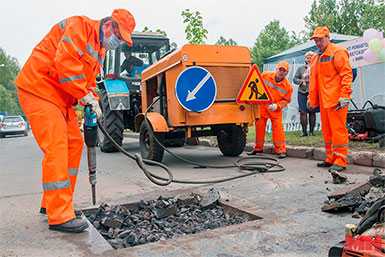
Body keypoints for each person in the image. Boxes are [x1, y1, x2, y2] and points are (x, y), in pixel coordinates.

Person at [15, 9, 136, 233]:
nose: (118, 43)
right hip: (39, 88)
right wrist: (84, 95)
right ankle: (59, 216)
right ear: (109, 25)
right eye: (118, 38)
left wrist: (93, 99)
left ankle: (56, 203)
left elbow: (88, 81)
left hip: (60, 97)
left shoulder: (99, 50)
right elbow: (65, 64)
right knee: (57, 146)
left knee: (74, 143)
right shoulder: (79, 27)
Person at [308, 26, 352, 173]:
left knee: (338, 130)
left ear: (328, 37)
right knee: (327, 131)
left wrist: (345, 96)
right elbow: (314, 80)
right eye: (315, 40)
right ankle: (330, 157)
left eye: (320, 39)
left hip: (337, 100)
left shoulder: (338, 52)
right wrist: (311, 98)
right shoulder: (315, 57)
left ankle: (340, 160)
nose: (318, 43)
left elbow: (346, 75)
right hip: (324, 101)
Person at [248, 61, 293, 158]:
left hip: (275, 109)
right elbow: (254, 83)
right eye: (280, 69)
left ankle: (281, 150)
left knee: (278, 130)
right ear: (276, 69)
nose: (281, 72)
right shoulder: (265, 75)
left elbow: (286, 100)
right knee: (259, 127)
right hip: (262, 106)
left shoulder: (288, 86)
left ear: (287, 73)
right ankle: (258, 148)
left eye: (283, 71)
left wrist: (277, 106)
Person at [293, 51, 319, 136]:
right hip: (302, 92)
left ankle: (312, 132)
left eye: (311, 57)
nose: (309, 59)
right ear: (305, 59)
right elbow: (295, 79)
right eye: (307, 57)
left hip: (313, 92)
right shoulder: (300, 68)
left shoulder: (317, 67)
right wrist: (301, 81)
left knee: (312, 112)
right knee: (303, 112)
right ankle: (304, 132)